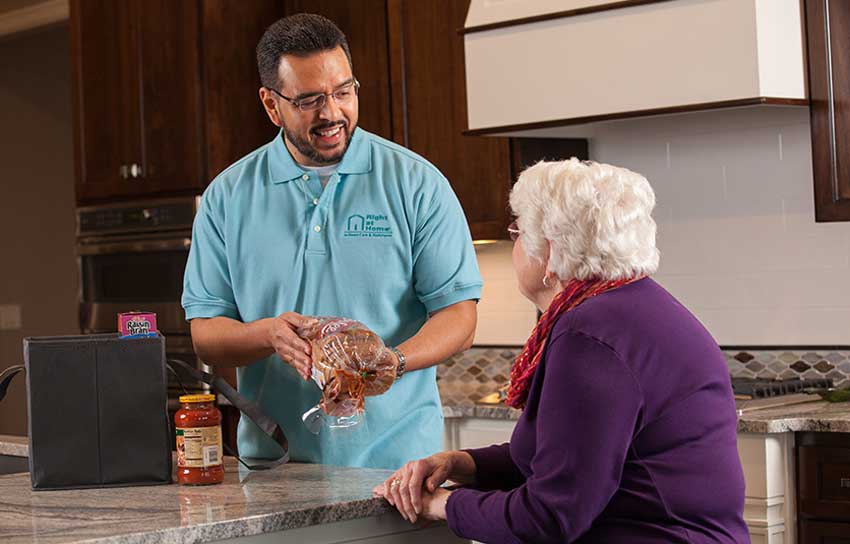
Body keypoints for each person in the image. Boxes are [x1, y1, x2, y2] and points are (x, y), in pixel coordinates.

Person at [375, 159, 749, 543]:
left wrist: (439, 506)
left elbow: (549, 517)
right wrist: (461, 464)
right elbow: (562, 460)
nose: (515, 243)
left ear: (549, 253)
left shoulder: (589, 335)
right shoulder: (631, 306)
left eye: (518, 231)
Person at [182, 13, 481, 469]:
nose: (332, 114)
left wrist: (392, 361)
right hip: (275, 468)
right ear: (271, 104)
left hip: (401, 467)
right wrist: (268, 334)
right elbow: (205, 333)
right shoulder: (227, 196)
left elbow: (459, 316)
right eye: (309, 100)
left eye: (343, 92)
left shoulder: (417, 183)